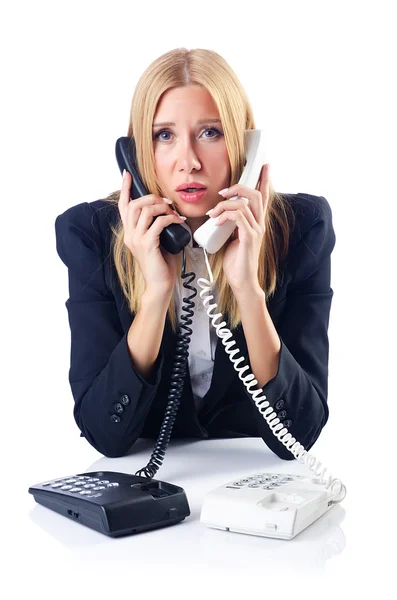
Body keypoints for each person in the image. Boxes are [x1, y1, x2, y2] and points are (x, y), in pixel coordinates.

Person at [55, 47, 336, 460]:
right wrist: (155, 294)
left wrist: (248, 291)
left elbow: (299, 436)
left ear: (246, 144)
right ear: (135, 153)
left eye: (211, 132)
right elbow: (104, 435)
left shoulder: (302, 228)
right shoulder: (90, 234)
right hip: (160, 490)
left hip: (254, 487)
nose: (187, 162)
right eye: (163, 135)